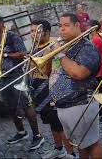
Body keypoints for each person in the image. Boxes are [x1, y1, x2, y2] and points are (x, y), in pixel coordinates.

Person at [45, 13, 102, 158]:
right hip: (63, 105)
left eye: (66, 26)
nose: (61, 29)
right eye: (60, 26)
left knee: (92, 143)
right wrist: (49, 56)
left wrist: (59, 54)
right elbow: (49, 72)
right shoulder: (65, 47)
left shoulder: (86, 47)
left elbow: (78, 73)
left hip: (81, 103)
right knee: (79, 144)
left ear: (77, 25)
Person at [0, 15, 45, 150]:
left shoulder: (12, 36)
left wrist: (4, 55)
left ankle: (38, 136)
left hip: (16, 75)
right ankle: (21, 132)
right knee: (11, 106)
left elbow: (23, 53)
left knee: (26, 105)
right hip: (3, 76)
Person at [29, 19, 75, 158]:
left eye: (36, 31)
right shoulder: (36, 45)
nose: (33, 34)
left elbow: (59, 70)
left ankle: (70, 154)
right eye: (31, 31)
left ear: (47, 32)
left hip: (52, 88)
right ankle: (58, 148)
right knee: (51, 121)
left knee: (59, 123)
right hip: (38, 87)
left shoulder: (55, 44)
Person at [87, 19, 102, 122]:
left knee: (101, 92)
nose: (87, 29)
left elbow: (93, 55)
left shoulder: (96, 40)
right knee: (99, 91)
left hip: (98, 70)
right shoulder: (96, 38)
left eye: (89, 27)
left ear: (93, 28)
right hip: (99, 69)